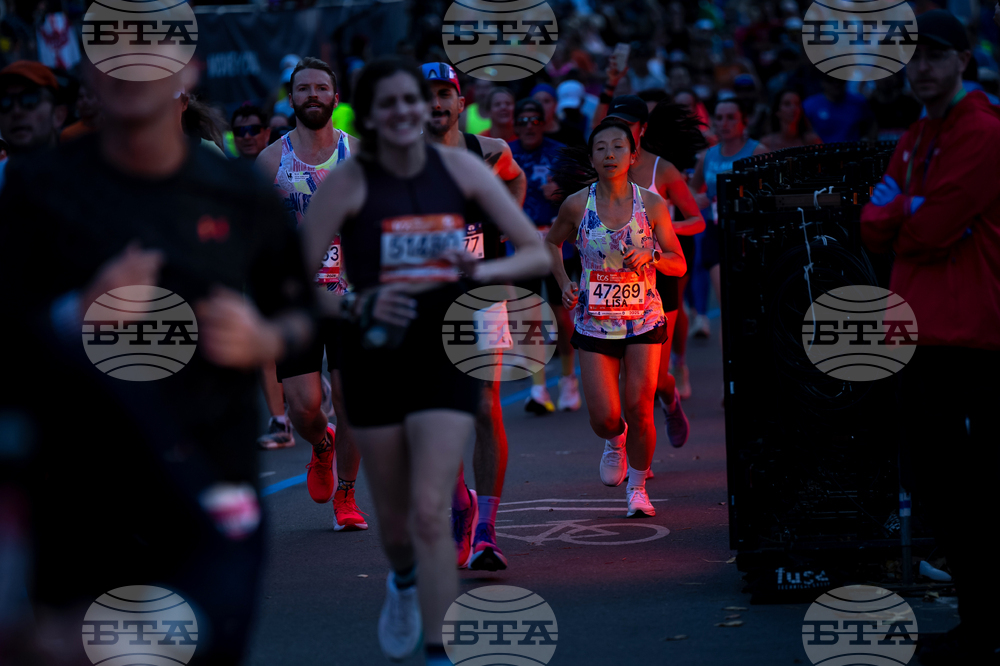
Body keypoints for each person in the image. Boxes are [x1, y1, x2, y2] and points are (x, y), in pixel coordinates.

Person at [0, 56, 315, 665]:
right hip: (83, 489)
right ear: (87, 74)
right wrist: (75, 316)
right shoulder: (41, 187)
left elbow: (302, 314)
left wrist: (262, 338)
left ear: (188, 71)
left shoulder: (238, 188)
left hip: (212, 483)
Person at [298, 56, 549, 666]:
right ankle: (404, 578)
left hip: (450, 343)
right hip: (377, 357)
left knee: (432, 512)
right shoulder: (351, 181)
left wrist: (482, 270)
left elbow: (534, 253)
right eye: (389, 104)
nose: (407, 111)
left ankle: (440, 651)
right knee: (399, 524)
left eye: (414, 100)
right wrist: (357, 306)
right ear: (372, 116)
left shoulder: (464, 167)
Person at [861, 10, 1000, 665]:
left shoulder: (982, 132)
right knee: (945, 490)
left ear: (964, 60)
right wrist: (906, 209)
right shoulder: (917, 134)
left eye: (935, 56)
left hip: (971, 336)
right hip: (922, 333)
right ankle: (980, 624)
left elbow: (927, 229)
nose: (921, 67)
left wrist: (906, 209)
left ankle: (985, 628)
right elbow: (873, 223)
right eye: (913, 56)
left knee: (969, 491)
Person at [547, 117, 686, 518]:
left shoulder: (652, 204)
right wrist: (563, 282)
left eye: (618, 147)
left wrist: (653, 255)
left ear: (632, 154)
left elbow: (679, 263)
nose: (610, 154)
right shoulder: (577, 204)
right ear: (591, 157)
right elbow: (551, 243)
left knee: (640, 406)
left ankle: (638, 488)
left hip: (643, 319)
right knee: (606, 417)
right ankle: (615, 440)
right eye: (601, 148)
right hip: (594, 322)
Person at [420, 61, 527, 572]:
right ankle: (460, 500)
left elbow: (516, 180)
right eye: (427, 95)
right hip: (422, 299)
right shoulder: (399, 160)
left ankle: (486, 529)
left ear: (462, 103)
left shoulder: (490, 152)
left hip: (479, 296)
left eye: (446, 94)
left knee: (485, 407)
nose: (436, 104)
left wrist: (503, 237)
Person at [256, 57, 368, 530]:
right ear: (291, 98)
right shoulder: (270, 160)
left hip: (349, 297)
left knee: (350, 400)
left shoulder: (359, 155)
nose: (313, 95)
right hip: (296, 300)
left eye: (321, 88)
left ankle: (347, 494)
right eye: (304, 89)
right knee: (304, 407)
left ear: (335, 97)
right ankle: (320, 447)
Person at [627, 99, 707, 416]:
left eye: (628, 124)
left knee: (656, 380)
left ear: (642, 129)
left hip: (660, 274)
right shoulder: (604, 169)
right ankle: (629, 453)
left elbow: (697, 220)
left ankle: (671, 398)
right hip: (619, 279)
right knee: (628, 376)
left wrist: (661, 227)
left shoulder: (664, 169)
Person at [508, 97, 580, 414]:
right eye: (522, 121)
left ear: (543, 122)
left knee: (560, 315)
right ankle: (538, 388)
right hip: (522, 242)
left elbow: (579, 192)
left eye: (534, 120)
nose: (528, 127)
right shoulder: (506, 152)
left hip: (555, 240)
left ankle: (568, 380)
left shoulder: (557, 152)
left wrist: (561, 190)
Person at [689, 99, 768, 359]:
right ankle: (730, 378)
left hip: (749, 236)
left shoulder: (758, 151)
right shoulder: (708, 156)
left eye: (731, 117)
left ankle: (753, 364)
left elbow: (771, 192)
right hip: (716, 234)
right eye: (719, 118)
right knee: (729, 305)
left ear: (744, 121)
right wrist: (696, 198)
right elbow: (691, 189)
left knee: (750, 306)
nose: (724, 123)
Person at [0, 61, 66, 191]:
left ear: (58, 115)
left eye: (30, 99)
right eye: (5, 102)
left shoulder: (89, 183)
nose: (16, 111)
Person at [803, 77, 874, 143]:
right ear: (823, 82)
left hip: (853, 152)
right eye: (830, 81)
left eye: (840, 81)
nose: (836, 84)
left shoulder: (859, 102)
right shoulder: (810, 105)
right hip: (821, 153)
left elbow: (871, 124)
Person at [534, 82, 586, 147]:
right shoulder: (523, 134)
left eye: (546, 101)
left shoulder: (573, 134)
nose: (541, 105)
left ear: (556, 104)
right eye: (536, 101)